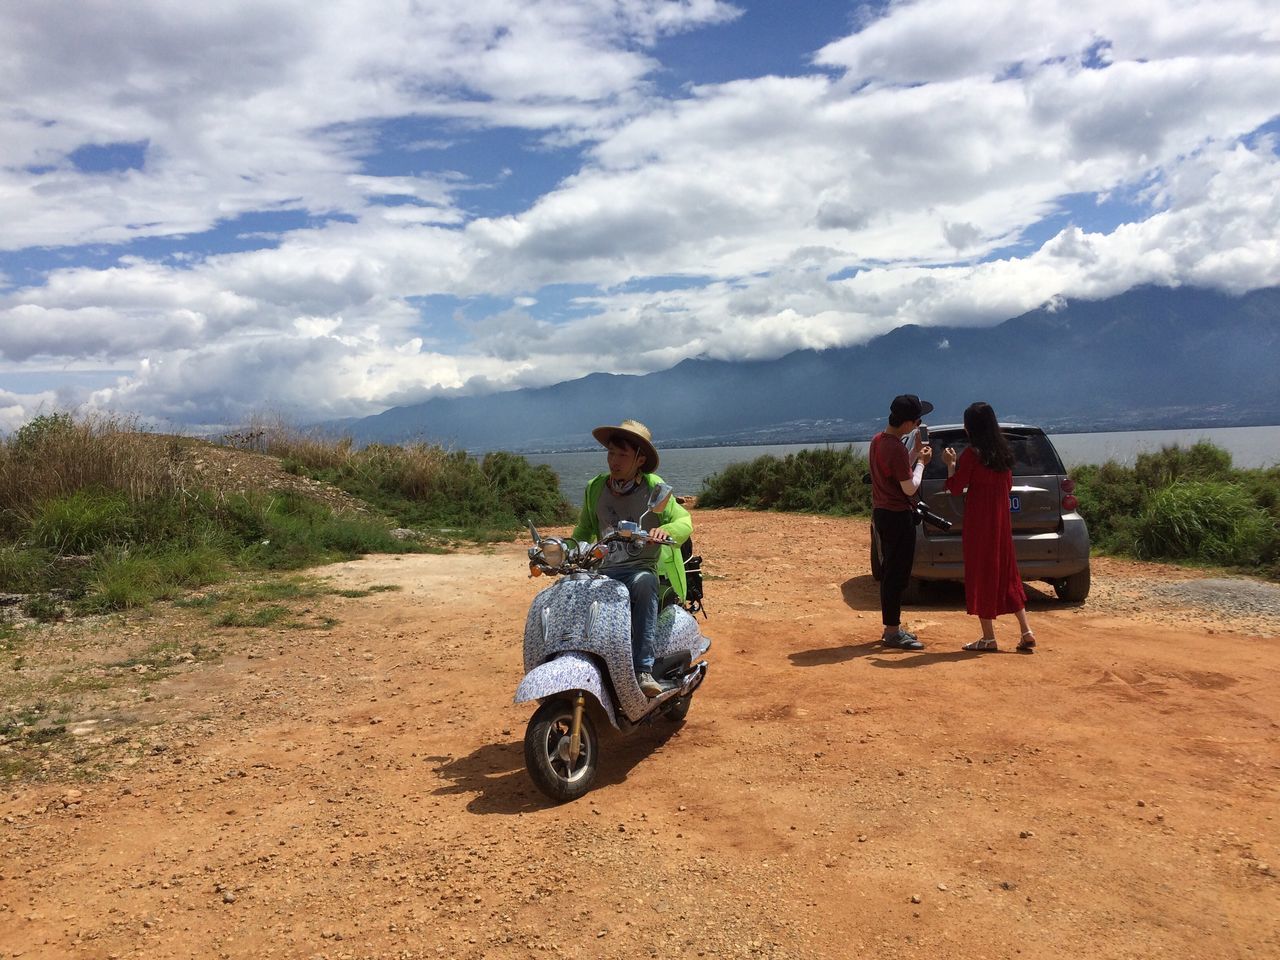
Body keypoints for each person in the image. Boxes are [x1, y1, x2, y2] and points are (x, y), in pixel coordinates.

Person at [572, 419, 693, 696]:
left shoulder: (654, 486)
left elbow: (683, 520)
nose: (613, 460)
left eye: (622, 454)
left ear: (639, 459)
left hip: (639, 566)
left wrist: (665, 529)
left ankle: (643, 668)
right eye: (611, 453)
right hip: (603, 568)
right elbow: (584, 529)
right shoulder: (596, 487)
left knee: (643, 582)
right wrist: (567, 547)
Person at [941, 402, 1037, 653]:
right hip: (1001, 523)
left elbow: (955, 487)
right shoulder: (1003, 455)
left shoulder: (972, 455)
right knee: (1007, 574)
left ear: (969, 426)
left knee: (981, 574)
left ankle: (988, 638)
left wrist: (950, 463)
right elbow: (1006, 487)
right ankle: (1026, 631)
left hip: (978, 523)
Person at [869, 394, 934, 650]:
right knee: (897, 574)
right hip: (897, 515)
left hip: (883, 513)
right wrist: (922, 463)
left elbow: (896, 471)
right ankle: (893, 632)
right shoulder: (895, 447)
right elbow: (909, 487)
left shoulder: (879, 441)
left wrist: (915, 453)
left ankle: (892, 627)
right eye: (917, 420)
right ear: (907, 423)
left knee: (891, 572)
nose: (918, 425)